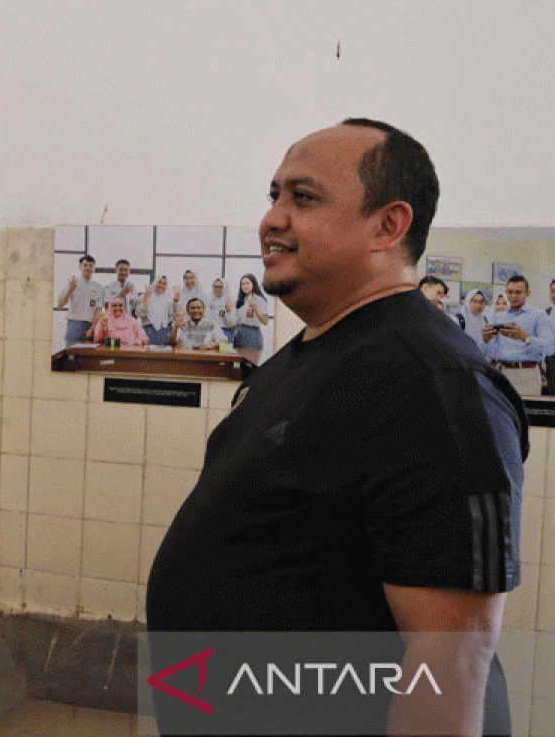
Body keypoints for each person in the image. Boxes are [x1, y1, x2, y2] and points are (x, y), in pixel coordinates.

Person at [146, 119, 524, 736]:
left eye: (304, 197)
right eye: (273, 196)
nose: (272, 218)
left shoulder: (431, 383)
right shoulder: (322, 349)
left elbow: (451, 662)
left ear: (388, 225)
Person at [482, 274, 554, 397]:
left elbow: (550, 348)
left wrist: (524, 337)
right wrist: (485, 340)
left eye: (518, 292)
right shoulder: (497, 317)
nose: (513, 296)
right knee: (503, 414)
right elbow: (487, 351)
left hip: (527, 374)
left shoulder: (539, 315)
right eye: (510, 292)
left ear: (527, 294)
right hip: (502, 372)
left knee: (526, 413)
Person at [56, 254, 105, 346]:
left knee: (88, 356)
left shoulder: (99, 288)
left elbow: (98, 310)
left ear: (94, 268)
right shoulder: (73, 284)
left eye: (91, 266)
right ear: (80, 267)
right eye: (85, 265)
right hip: (74, 324)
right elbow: (59, 304)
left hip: (90, 326)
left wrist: (92, 328)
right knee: (71, 355)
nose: (88, 268)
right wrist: (70, 290)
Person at [231, 272, 270, 354]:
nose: (245, 286)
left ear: (253, 284)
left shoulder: (259, 299)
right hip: (238, 333)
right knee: (237, 363)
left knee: (250, 361)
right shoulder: (240, 301)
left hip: (252, 333)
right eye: (242, 284)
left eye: (247, 283)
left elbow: (265, 321)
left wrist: (255, 308)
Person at [140, 276, 174, 347]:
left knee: (163, 355)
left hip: (164, 331)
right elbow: (139, 313)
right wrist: (146, 298)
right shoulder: (146, 295)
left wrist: (176, 301)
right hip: (148, 330)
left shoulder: (169, 299)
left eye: (164, 284)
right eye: (159, 282)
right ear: (155, 283)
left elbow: (173, 316)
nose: (161, 285)